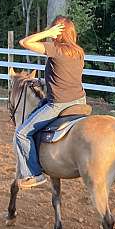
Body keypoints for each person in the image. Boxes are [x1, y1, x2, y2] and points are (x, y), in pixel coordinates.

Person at [14, 16, 86, 189]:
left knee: (22, 133)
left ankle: (34, 174)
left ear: (59, 32)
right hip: (80, 101)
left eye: (55, 31)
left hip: (59, 104)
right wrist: (44, 83)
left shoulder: (56, 49)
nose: (52, 35)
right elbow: (66, 77)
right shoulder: (78, 52)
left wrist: (47, 33)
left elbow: (24, 42)